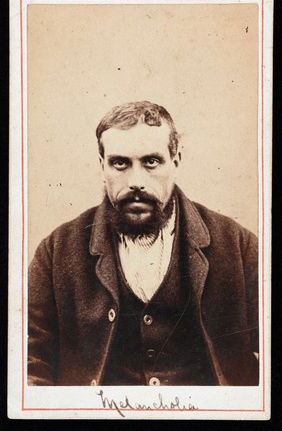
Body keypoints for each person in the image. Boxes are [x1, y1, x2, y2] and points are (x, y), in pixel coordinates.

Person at [28, 101, 259, 387]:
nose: (136, 181)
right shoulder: (55, 252)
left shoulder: (238, 246)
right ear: (102, 166)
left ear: (176, 162)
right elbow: (30, 364)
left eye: (151, 162)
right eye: (120, 163)